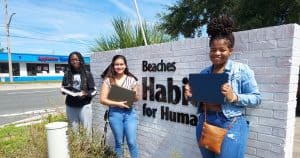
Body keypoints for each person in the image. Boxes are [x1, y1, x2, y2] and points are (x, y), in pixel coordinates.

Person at [184, 16, 261, 158]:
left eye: (222, 50)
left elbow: (257, 98)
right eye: (213, 50)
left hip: (230, 123)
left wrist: (234, 97)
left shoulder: (241, 70)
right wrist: (190, 96)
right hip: (205, 121)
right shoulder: (204, 73)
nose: (217, 53)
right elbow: (198, 102)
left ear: (230, 50)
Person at [99, 55, 139, 158]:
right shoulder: (108, 80)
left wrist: (134, 95)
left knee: (131, 142)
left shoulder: (132, 80)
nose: (119, 66)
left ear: (125, 66)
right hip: (115, 114)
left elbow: (137, 98)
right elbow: (102, 100)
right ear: (113, 66)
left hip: (129, 114)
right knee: (119, 142)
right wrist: (118, 103)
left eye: (121, 64)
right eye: (117, 64)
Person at [61, 51, 96, 135]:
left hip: (84, 105)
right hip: (71, 106)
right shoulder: (67, 74)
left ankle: (88, 148)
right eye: (72, 60)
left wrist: (86, 93)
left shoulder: (87, 74)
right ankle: (77, 148)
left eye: (76, 59)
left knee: (87, 131)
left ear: (80, 60)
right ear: (70, 61)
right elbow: (64, 89)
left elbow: (93, 90)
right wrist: (63, 90)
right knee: (74, 131)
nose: (74, 61)